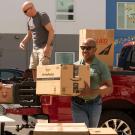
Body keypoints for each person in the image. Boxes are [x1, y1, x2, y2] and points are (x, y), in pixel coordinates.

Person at [71, 38, 113, 127]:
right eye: (83, 48)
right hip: (77, 104)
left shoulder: (102, 66)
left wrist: (93, 91)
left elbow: (109, 87)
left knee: (92, 131)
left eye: (88, 48)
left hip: (94, 105)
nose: (85, 50)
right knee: (82, 131)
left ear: (95, 50)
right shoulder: (75, 65)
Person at [20, 1, 54, 81]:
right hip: (35, 48)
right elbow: (29, 35)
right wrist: (23, 42)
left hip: (44, 47)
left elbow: (51, 31)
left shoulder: (42, 16)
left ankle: (43, 87)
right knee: (33, 67)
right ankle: (36, 86)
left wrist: (47, 46)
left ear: (31, 8)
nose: (25, 14)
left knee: (42, 68)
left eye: (25, 11)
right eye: (23, 12)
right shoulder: (29, 21)